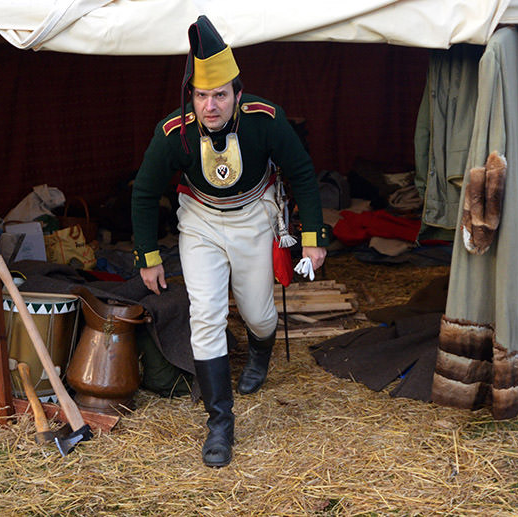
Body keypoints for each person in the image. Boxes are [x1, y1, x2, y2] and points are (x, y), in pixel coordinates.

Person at [130, 15, 330, 468]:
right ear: (192, 97)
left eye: (220, 95)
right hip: (200, 222)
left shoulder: (266, 118)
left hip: (255, 218)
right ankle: (220, 423)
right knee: (206, 315)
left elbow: (301, 173)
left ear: (238, 94)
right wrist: (148, 254)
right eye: (202, 96)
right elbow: (144, 193)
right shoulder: (172, 133)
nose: (210, 105)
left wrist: (314, 239)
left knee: (259, 314)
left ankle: (260, 351)